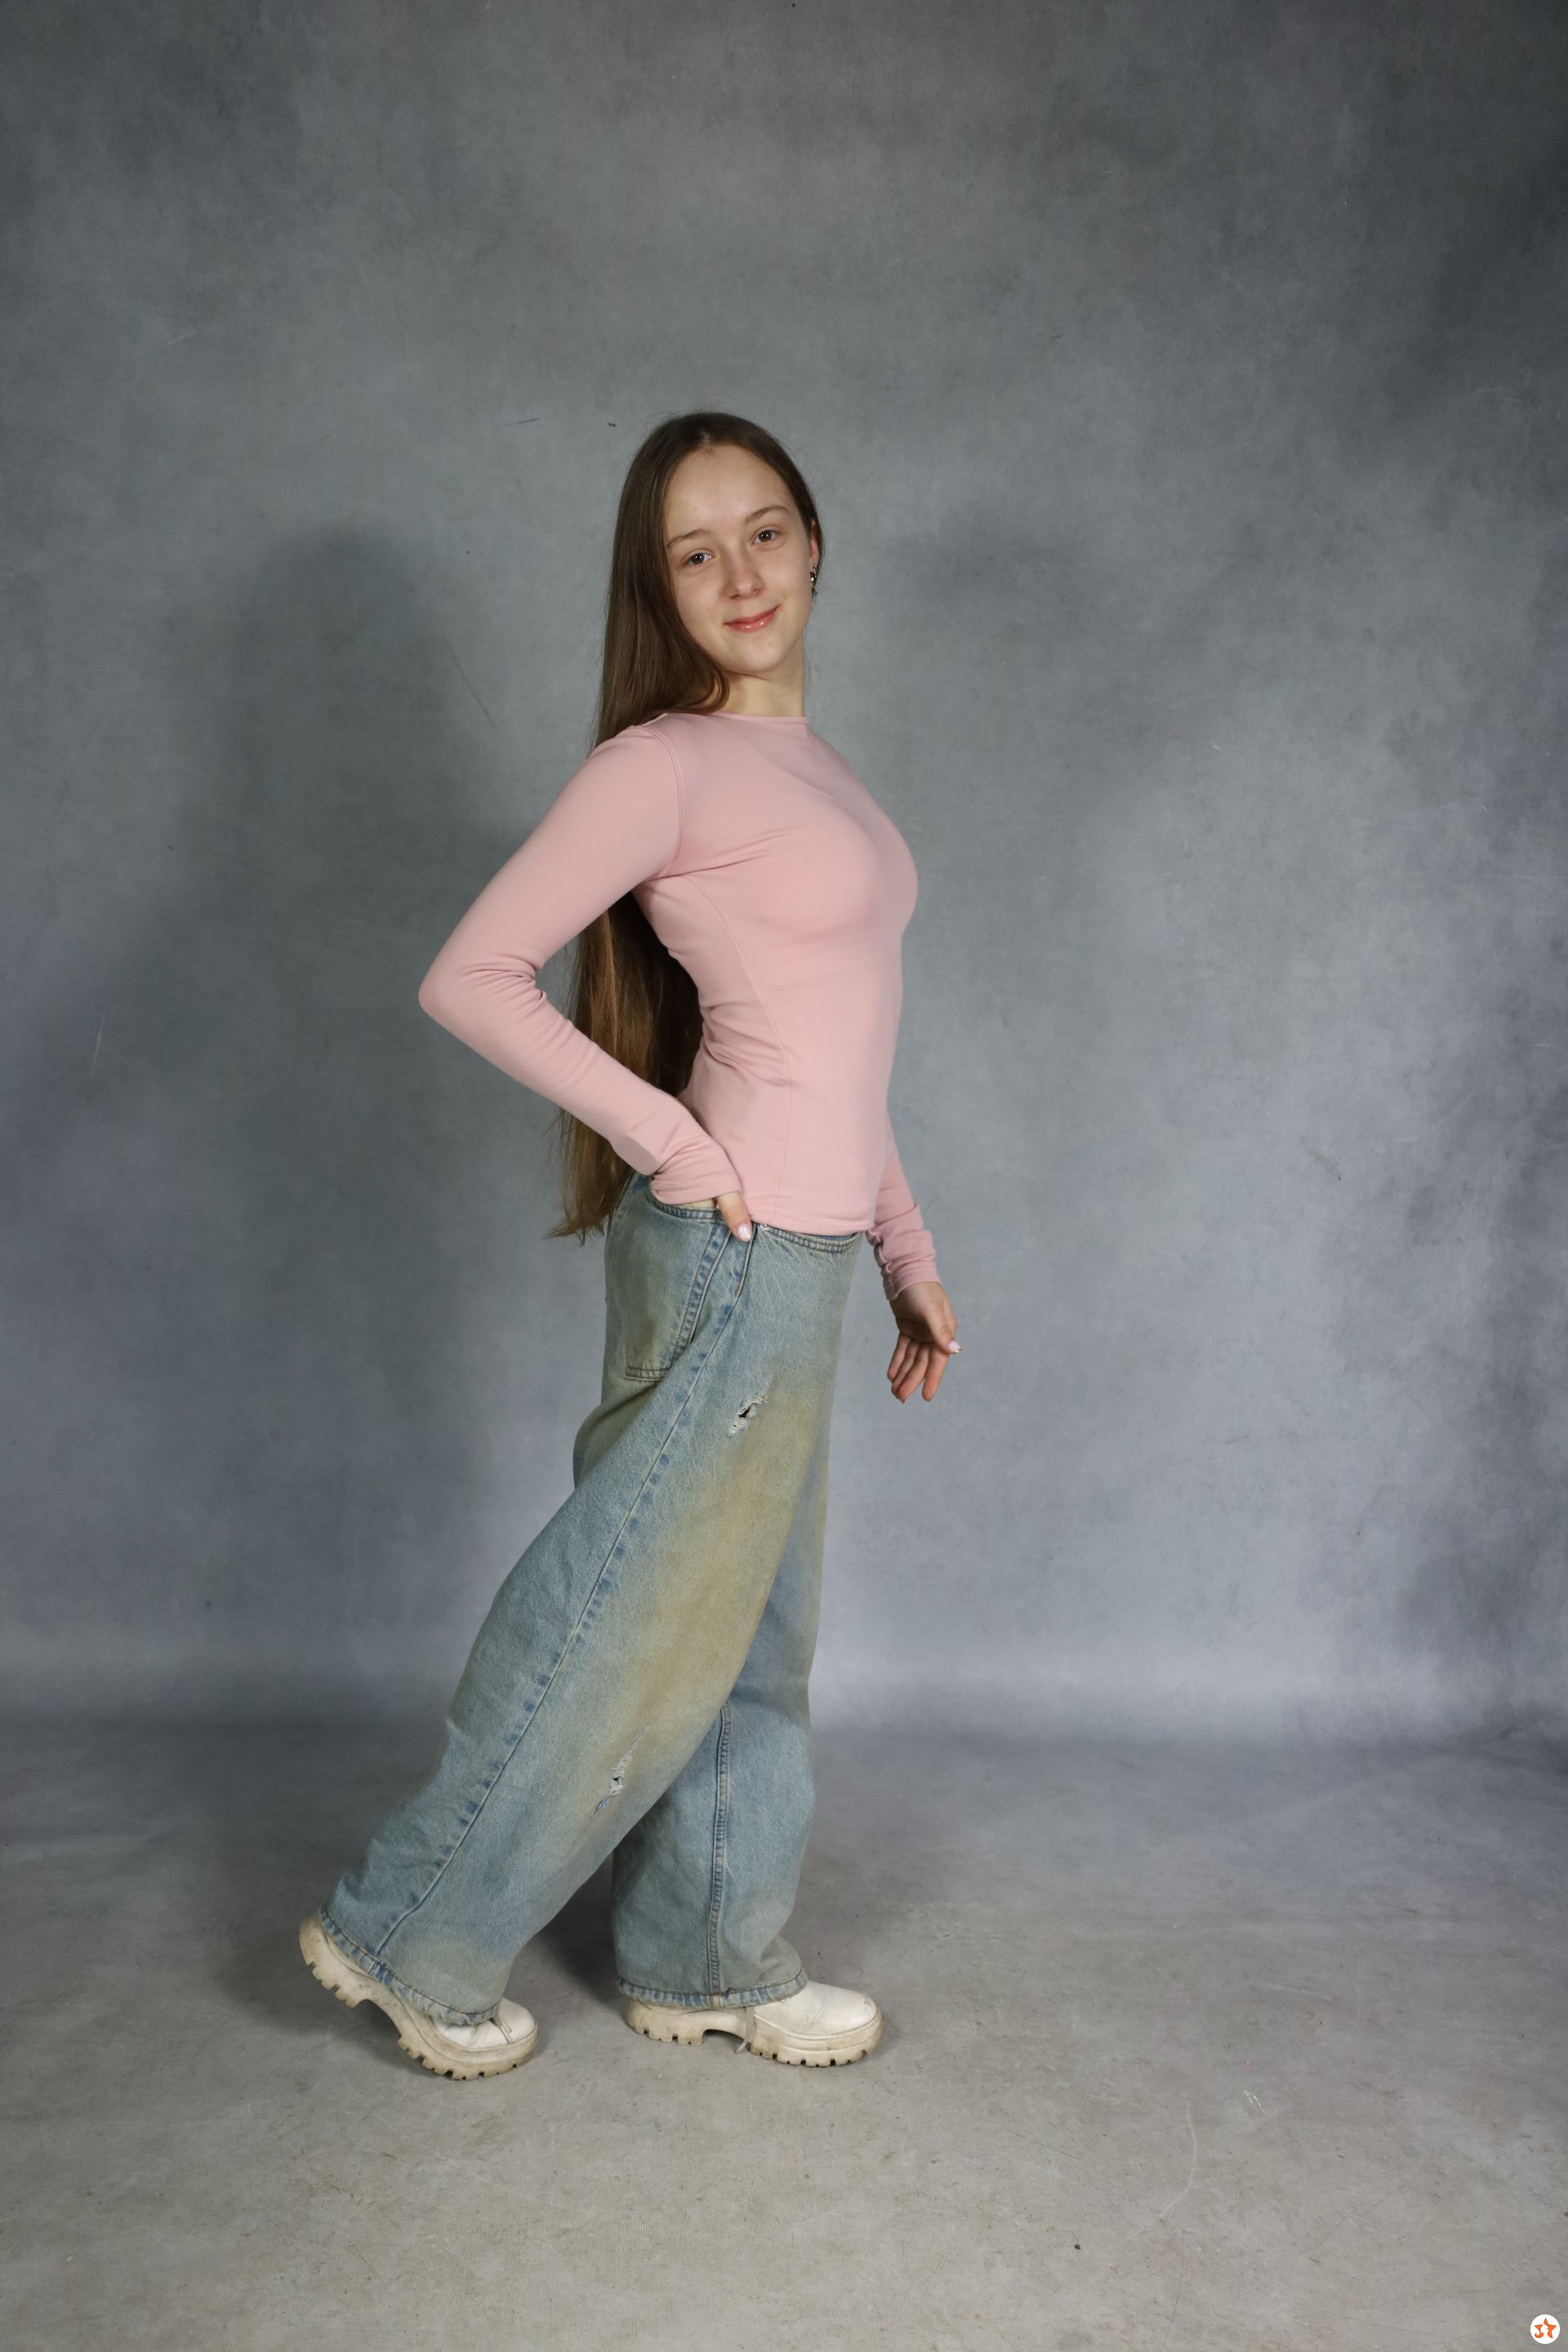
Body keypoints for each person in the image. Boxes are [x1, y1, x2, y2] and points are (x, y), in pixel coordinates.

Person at [299, 410, 960, 2078]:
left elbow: (844, 1045)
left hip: (806, 1255)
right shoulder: (661, 765)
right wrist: (672, 1138)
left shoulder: (817, 770)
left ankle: (706, 1954)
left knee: (751, 1638)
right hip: (733, 1251)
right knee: (624, 1617)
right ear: (655, 590)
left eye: (765, 531)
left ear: (816, 543)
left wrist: (905, 1245)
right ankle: (405, 1931)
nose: (741, 574)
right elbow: (470, 976)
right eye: (695, 552)